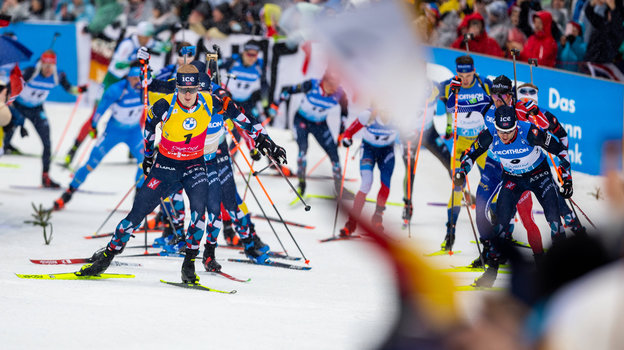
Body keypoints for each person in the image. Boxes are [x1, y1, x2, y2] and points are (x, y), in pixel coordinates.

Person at [76, 62, 286, 283]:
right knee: (136, 214)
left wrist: (266, 142)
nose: (188, 95)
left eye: (192, 90)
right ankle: (107, 255)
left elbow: (246, 119)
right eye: (183, 90)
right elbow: (149, 128)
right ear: (176, 88)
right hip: (166, 166)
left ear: (199, 89)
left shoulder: (212, 102)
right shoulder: (164, 105)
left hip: (194, 166)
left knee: (200, 215)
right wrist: (148, 157)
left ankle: (189, 264)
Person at [455, 105, 572, 287]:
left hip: (539, 174)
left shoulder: (531, 132)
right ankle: (491, 274)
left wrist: (566, 177)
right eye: (501, 131)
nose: (504, 135)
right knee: (500, 225)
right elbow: (469, 155)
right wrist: (461, 172)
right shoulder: (490, 135)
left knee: (554, 221)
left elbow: (561, 152)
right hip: (513, 178)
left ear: (516, 126)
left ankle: (559, 272)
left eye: (509, 131)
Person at [63, 21, 167, 166]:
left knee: (141, 112)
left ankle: (134, 146)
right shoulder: (128, 44)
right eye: (148, 37)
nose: (150, 40)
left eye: (150, 37)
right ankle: (73, 150)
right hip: (111, 82)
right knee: (95, 115)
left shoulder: (146, 40)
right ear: (142, 36)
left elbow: (164, 47)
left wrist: (169, 30)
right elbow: (118, 64)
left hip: (128, 84)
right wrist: (133, 62)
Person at [52, 66, 146, 210]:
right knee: (92, 162)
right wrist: (94, 126)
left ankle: (139, 200)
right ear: (128, 79)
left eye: (139, 79)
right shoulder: (117, 90)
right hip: (113, 132)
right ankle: (69, 193)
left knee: (144, 163)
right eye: (134, 79)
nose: (137, 83)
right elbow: (100, 109)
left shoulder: (145, 90)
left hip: (134, 132)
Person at [2, 50, 87, 187]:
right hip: (19, 107)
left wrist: (80, 90)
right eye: (45, 65)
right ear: (41, 64)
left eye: (51, 66)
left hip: (37, 110)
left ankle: (45, 176)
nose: (48, 69)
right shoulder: (30, 72)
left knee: (47, 142)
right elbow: (12, 84)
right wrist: (7, 98)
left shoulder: (57, 75)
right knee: (8, 131)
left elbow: (69, 88)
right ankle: (5, 147)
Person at [437, 55, 492, 251]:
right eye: (461, 74)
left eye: (468, 75)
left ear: (474, 71)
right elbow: (430, 91)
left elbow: (502, 98)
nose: (464, 79)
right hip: (461, 145)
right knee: (457, 188)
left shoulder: (485, 84)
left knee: (492, 186)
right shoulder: (450, 85)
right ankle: (450, 233)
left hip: (483, 143)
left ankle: (497, 235)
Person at [279, 69, 349, 196]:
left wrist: (341, 133)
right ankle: (301, 185)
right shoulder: (311, 85)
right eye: (330, 84)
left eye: (335, 84)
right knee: (303, 150)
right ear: (323, 81)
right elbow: (289, 90)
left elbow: (344, 111)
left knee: (334, 153)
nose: (332, 88)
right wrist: (275, 105)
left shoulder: (340, 93)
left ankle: (339, 188)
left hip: (320, 124)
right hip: (301, 121)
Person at [339, 106, 399, 235]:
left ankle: (377, 217)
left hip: (387, 151)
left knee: (385, 183)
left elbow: (412, 133)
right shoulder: (368, 115)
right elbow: (349, 132)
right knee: (366, 183)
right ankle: (352, 222)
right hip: (369, 150)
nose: (386, 115)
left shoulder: (400, 117)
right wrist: (346, 139)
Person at [402, 79, 451, 224]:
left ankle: (462, 193)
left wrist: (449, 125)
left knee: (449, 162)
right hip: (411, 135)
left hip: (429, 133)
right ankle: (407, 204)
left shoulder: (435, 86)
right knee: (410, 170)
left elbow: (447, 100)